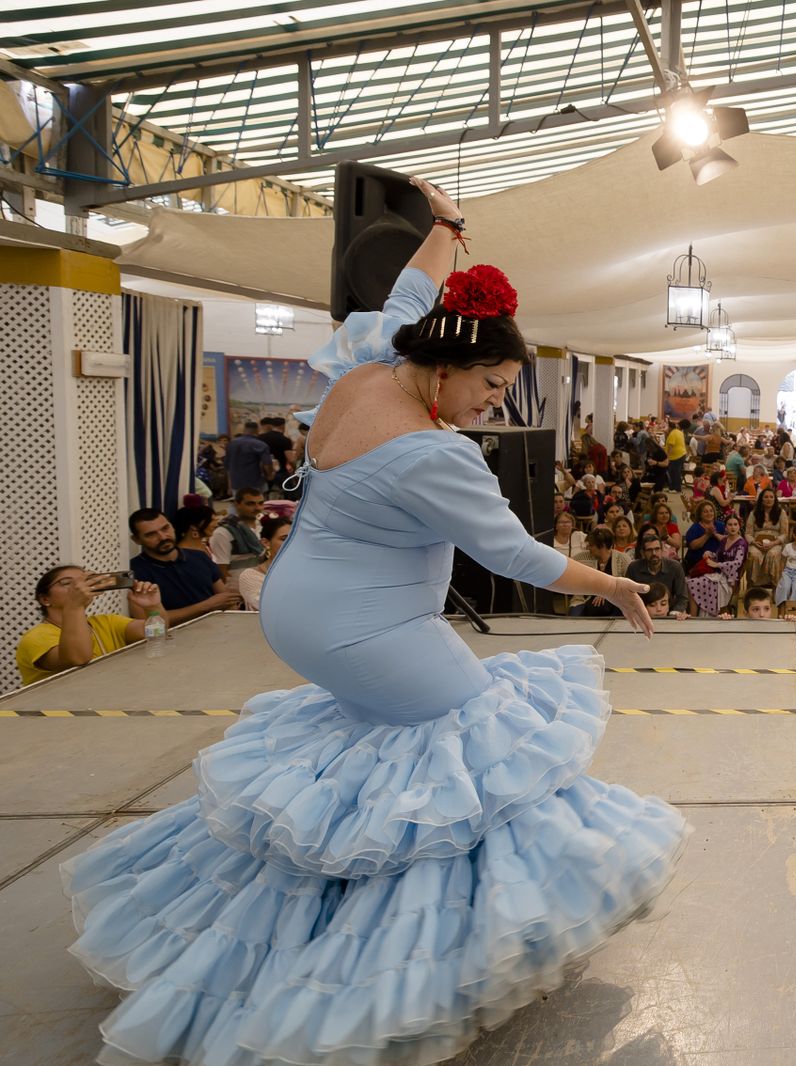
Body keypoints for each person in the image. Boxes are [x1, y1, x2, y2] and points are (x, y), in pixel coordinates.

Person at [61, 179, 686, 1066]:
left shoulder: (368, 367)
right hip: (367, 628)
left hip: (300, 606)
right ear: (447, 367)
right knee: (480, 762)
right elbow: (517, 556)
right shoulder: (433, 453)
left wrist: (445, 231)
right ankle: (407, 968)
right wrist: (614, 587)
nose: (494, 407)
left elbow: (408, 296)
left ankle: (290, 924)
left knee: (391, 772)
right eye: (493, 385)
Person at [16, 568, 165, 685]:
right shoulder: (36, 637)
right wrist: (74, 605)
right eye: (68, 583)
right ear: (44, 599)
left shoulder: (107, 621)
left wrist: (152, 607)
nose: (78, 588)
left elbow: (157, 633)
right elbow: (77, 659)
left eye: (85, 582)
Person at [128, 508, 241, 622]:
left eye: (165, 528)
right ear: (136, 539)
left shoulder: (199, 557)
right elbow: (147, 621)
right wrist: (206, 606)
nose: (163, 537)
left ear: (172, 526)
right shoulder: (135, 571)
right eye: (151, 534)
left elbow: (225, 600)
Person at [688, 512, 747, 617]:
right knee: (690, 581)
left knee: (694, 583)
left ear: (739, 526)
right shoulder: (725, 540)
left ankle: (701, 615)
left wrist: (717, 565)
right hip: (718, 574)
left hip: (730, 578)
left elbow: (737, 563)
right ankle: (695, 615)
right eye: (730, 524)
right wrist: (710, 554)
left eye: (735, 524)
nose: (732, 527)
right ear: (725, 527)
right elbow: (718, 555)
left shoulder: (741, 543)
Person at [626, 530, 690, 617]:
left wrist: (674, 614)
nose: (654, 553)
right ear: (642, 553)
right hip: (641, 614)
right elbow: (628, 595)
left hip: (669, 614)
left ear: (662, 550)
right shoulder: (633, 568)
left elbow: (682, 597)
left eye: (657, 549)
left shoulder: (675, 567)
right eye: (649, 550)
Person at [237, 514, 291, 611]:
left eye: (295, 538)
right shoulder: (251, 576)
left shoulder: (307, 571)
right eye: (284, 538)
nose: (291, 543)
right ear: (266, 543)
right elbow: (273, 609)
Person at [210, 486, 267, 572]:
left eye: (260, 503)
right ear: (237, 504)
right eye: (250, 504)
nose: (257, 508)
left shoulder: (265, 525)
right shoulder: (224, 532)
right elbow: (221, 570)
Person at [223, 420, 276, 497]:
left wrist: (229, 486)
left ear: (244, 430)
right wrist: (270, 475)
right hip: (255, 482)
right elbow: (267, 464)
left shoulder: (231, 444)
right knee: (256, 505)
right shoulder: (260, 445)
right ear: (257, 430)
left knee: (240, 505)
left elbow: (227, 466)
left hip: (236, 482)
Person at [664, 418, 689, 490]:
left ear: (670, 428)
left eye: (667, 427)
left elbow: (671, 446)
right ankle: (672, 487)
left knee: (675, 473)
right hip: (681, 455)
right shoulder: (679, 432)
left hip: (676, 456)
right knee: (675, 472)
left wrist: (667, 457)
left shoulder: (673, 433)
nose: (666, 429)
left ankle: (676, 488)